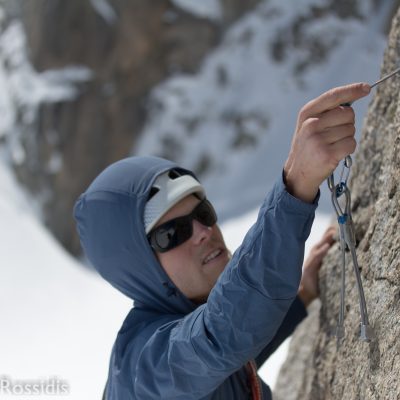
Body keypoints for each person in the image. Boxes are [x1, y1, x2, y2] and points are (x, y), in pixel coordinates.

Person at [73, 83, 370, 399]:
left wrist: (300, 297)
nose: (203, 231)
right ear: (139, 267)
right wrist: (295, 186)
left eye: (203, 211)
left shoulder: (183, 338)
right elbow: (218, 339)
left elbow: (226, 357)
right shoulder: (143, 372)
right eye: (172, 234)